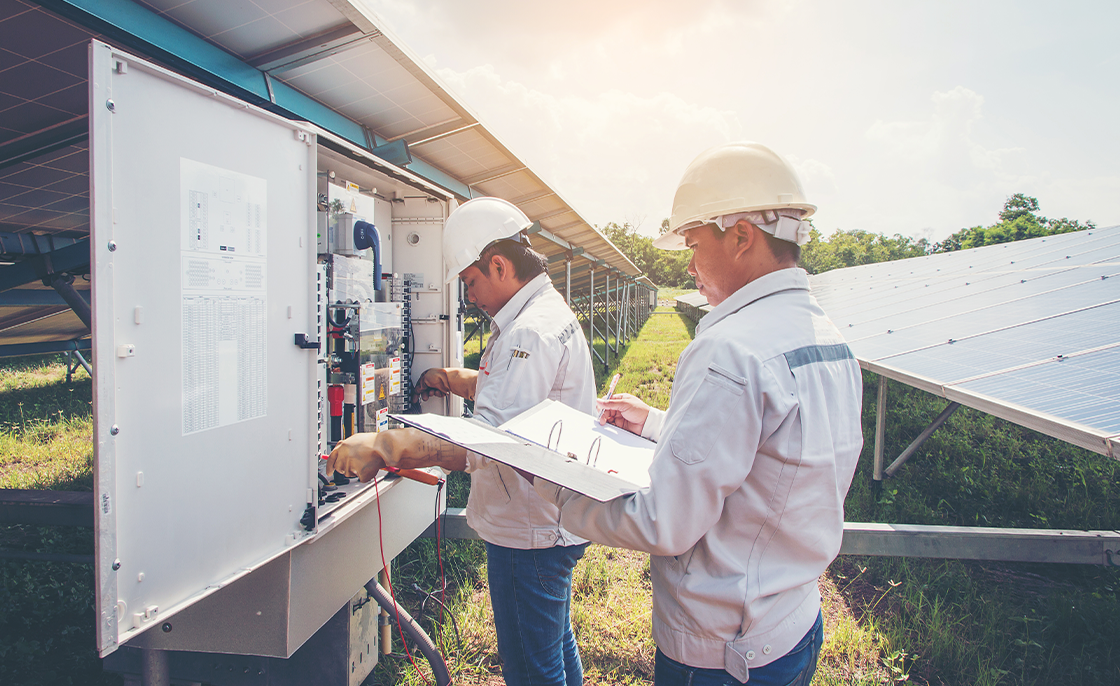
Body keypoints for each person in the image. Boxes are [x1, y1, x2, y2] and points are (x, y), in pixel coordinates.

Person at [526, 142, 864, 686]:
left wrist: (550, 483)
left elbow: (665, 521)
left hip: (723, 651)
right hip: (792, 622)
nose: (688, 263)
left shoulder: (730, 349)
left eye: (692, 241)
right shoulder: (828, 339)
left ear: (741, 236)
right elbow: (773, 452)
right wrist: (658, 422)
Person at [326, 196, 596, 686]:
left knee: (533, 670)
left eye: (470, 282)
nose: (469, 296)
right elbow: (524, 396)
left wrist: (387, 446)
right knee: (554, 648)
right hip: (548, 522)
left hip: (529, 531)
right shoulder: (542, 315)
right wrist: (455, 379)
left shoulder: (529, 331)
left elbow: (491, 443)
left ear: (498, 264)